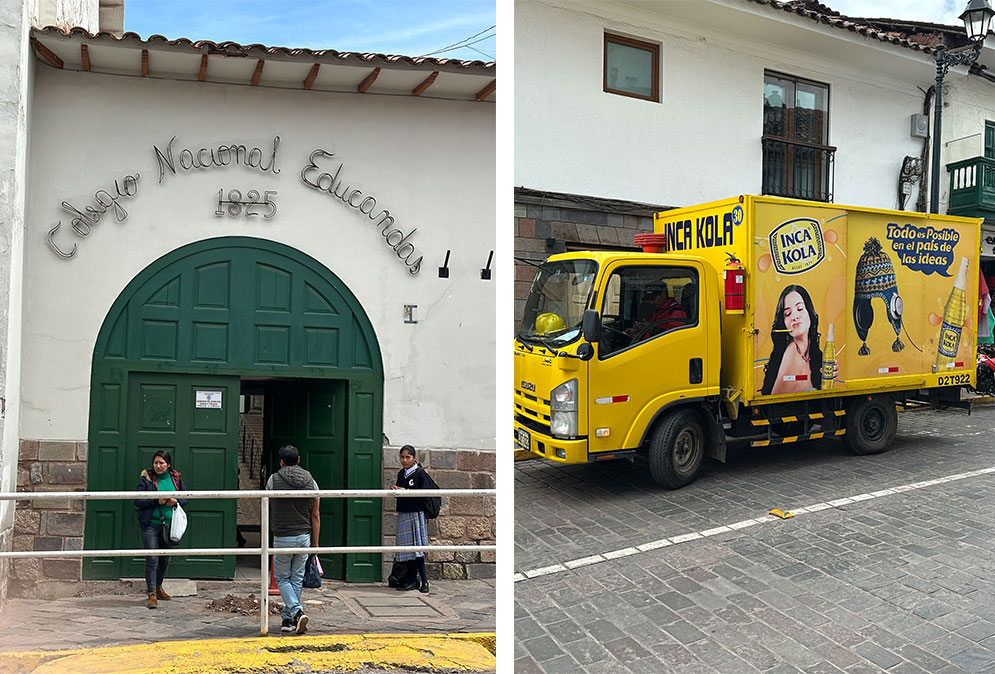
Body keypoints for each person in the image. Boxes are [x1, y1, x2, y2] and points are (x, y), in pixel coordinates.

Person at [266, 445, 320, 634]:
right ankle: (288, 620)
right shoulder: (311, 481)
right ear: (298, 460)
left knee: (282, 578)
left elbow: (268, 504)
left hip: (283, 535)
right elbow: (315, 515)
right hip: (304, 535)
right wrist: (315, 541)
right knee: (296, 578)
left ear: (281, 462)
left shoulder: (273, 480)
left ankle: (296, 612)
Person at [134, 450, 188, 610]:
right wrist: (156, 500)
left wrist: (176, 501)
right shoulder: (146, 479)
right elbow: (138, 500)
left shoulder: (176, 478)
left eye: (161, 463)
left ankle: (158, 586)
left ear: (168, 464)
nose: (158, 466)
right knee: (152, 558)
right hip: (150, 524)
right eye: (156, 463)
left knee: (165, 559)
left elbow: (186, 497)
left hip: (169, 526)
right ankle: (151, 593)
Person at [762, 284, 829, 395]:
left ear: (809, 312)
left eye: (800, 308)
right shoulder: (793, 354)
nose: (794, 317)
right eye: (787, 314)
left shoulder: (810, 351)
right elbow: (777, 399)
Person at [391, 445, 432, 593]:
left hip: (415, 514)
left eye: (407, 457)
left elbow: (425, 494)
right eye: (402, 457)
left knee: (417, 549)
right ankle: (409, 579)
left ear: (414, 458)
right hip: (404, 513)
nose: (404, 460)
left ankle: (424, 580)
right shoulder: (401, 474)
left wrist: (407, 491)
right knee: (406, 549)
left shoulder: (420, 474)